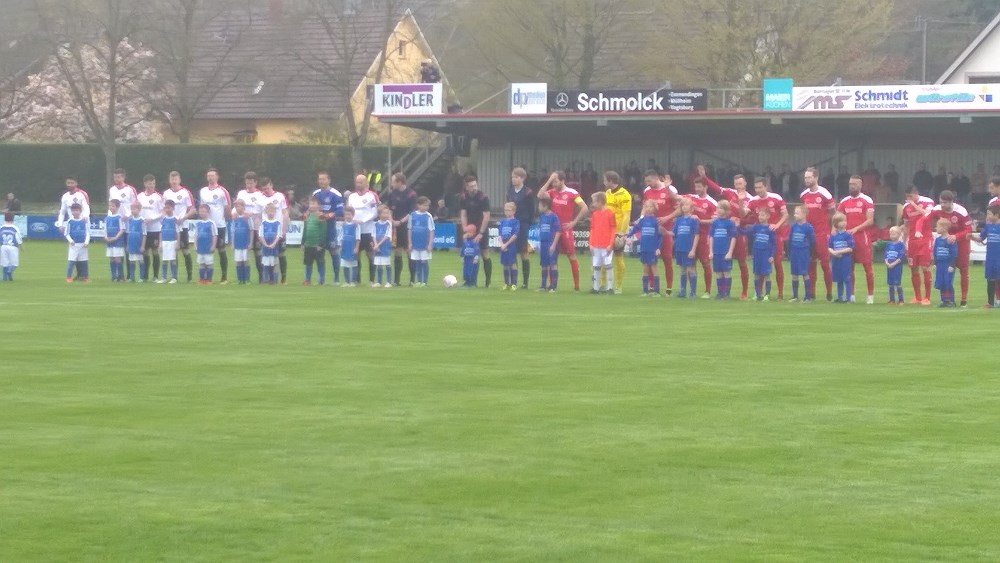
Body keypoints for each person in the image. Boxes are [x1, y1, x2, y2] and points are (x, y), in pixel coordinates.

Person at [703, 170, 751, 299]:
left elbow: (746, 217)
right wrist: (705, 177)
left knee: (742, 262)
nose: (738, 186)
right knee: (722, 263)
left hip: (739, 233)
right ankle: (722, 292)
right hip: (724, 232)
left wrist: (740, 219)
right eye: (736, 184)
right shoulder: (730, 192)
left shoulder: (749, 199)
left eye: (740, 183)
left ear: (745, 183)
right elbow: (717, 188)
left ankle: (744, 291)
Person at [537, 170, 588, 291]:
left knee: (572, 256)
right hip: (554, 231)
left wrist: (574, 222)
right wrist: (549, 180)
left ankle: (576, 286)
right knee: (552, 258)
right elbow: (539, 195)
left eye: (556, 181)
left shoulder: (572, 193)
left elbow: (584, 208)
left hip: (565, 230)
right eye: (553, 182)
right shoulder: (552, 192)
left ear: (562, 181)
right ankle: (552, 286)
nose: (554, 184)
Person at [925, 190, 973, 307]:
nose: (942, 205)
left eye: (945, 203)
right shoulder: (937, 209)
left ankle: (964, 300)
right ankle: (946, 299)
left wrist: (956, 236)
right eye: (941, 202)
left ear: (952, 202)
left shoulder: (961, 211)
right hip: (946, 244)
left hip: (961, 244)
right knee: (944, 271)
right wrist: (918, 230)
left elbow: (968, 230)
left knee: (963, 271)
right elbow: (925, 219)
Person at [747, 176, 789, 299]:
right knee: (760, 266)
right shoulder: (753, 200)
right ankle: (759, 293)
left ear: (766, 186)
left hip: (775, 236)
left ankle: (780, 293)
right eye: (756, 188)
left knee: (777, 263)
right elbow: (744, 213)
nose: (758, 190)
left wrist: (777, 225)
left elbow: (785, 214)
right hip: (761, 237)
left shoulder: (776, 198)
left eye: (760, 187)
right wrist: (739, 202)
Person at [837, 176, 875, 304]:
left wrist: (856, 229)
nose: (851, 186)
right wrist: (835, 233)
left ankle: (870, 296)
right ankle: (851, 295)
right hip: (848, 238)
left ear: (860, 185)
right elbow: (838, 218)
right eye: (850, 184)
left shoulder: (867, 200)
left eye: (854, 184)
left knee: (867, 267)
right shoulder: (844, 201)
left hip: (862, 237)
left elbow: (870, 220)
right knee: (849, 267)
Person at [642, 170, 681, 295]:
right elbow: (645, 206)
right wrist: (642, 218)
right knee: (651, 260)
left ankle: (669, 289)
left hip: (666, 229)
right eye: (646, 181)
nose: (648, 184)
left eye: (649, 181)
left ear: (656, 178)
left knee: (667, 258)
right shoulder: (647, 191)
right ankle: (652, 287)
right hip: (651, 231)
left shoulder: (670, 189)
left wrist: (667, 218)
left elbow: (680, 208)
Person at [800, 167, 835, 301]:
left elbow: (833, 213)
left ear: (816, 178)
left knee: (825, 264)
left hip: (822, 234)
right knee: (810, 264)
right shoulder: (803, 195)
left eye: (809, 177)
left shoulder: (825, 194)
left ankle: (829, 293)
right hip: (808, 235)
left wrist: (832, 229)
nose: (807, 180)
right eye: (805, 177)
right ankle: (811, 293)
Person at [901, 186, 935, 305]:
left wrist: (914, 205)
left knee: (925, 267)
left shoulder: (927, 202)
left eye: (910, 196)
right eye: (907, 196)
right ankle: (917, 297)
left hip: (925, 238)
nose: (908, 198)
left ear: (916, 193)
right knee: (913, 268)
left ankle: (927, 297)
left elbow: (927, 214)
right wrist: (904, 241)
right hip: (912, 240)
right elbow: (906, 225)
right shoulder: (906, 207)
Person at [459, 174, 492, 288]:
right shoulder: (463, 197)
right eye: (471, 186)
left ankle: (488, 282)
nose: (474, 188)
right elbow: (463, 214)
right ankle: (471, 281)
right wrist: (465, 229)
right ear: (466, 187)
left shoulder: (483, 197)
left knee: (485, 254)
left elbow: (486, 216)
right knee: (470, 255)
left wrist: (481, 233)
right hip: (470, 229)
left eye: (475, 185)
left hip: (481, 228)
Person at [199, 168, 231, 284]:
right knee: (206, 250)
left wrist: (225, 218)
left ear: (217, 177)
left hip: (219, 225)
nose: (210, 178)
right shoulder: (203, 191)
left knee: (221, 250)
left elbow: (227, 207)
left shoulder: (222, 191)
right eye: (209, 176)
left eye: (212, 175)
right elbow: (202, 207)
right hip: (207, 225)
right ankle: (205, 277)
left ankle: (224, 276)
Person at [311, 171, 343, 285]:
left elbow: (340, 210)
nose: (321, 181)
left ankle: (336, 278)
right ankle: (321, 279)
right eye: (320, 179)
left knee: (334, 252)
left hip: (330, 228)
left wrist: (330, 215)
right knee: (319, 253)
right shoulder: (316, 194)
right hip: (319, 229)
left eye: (323, 179)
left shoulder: (335, 194)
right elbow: (312, 207)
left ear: (329, 180)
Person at [163, 171, 196, 282]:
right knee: (173, 251)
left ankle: (189, 276)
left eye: (176, 179)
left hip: (182, 226)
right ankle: (174, 277)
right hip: (170, 227)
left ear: (179, 180)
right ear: (169, 180)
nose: (174, 181)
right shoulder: (166, 193)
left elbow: (192, 209)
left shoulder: (186, 193)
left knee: (185, 250)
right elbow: (164, 209)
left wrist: (183, 218)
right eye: (172, 179)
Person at [689, 176, 718, 298]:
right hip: (691, 236)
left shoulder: (712, 203)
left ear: (706, 187)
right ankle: (692, 292)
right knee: (691, 263)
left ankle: (707, 291)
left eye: (699, 187)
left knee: (705, 263)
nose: (697, 189)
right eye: (696, 186)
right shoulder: (691, 198)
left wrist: (700, 221)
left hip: (704, 236)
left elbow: (715, 220)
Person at [347, 174, 379, 284]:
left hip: (368, 230)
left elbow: (375, 213)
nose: (358, 184)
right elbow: (349, 211)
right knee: (356, 255)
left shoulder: (371, 196)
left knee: (370, 255)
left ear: (366, 183)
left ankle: (372, 280)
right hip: (356, 231)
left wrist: (363, 220)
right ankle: (357, 280)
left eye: (360, 182)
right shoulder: (352, 197)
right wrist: (351, 221)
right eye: (357, 182)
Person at [506, 167, 535, 289]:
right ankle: (513, 281)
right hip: (512, 224)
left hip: (523, 224)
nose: (513, 179)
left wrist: (529, 222)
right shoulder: (510, 192)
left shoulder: (528, 192)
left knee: (523, 252)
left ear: (522, 178)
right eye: (512, 177)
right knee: (512, 251)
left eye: (516, 177)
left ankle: (525, 282)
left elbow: (531, 209)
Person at [387, 172, 417, 286]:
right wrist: (392, 220)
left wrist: (401, 221)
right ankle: (396, 281)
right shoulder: (392, 194)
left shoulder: (411, 194)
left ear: (399, 182)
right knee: (397, 252)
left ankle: (412, 280)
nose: (391, 184)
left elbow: (412, 212)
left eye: (393, 182)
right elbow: (389, 209)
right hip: (395, 227)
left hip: (407, 227)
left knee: (409, 252)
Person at [628, 199, 664, 296]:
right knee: (645, 269)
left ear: (654, 208)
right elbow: (635, 229)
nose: (648, 208)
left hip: (652, 249)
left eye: (650, 206)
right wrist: (628, 236)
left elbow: (660, 236)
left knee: (654, 268)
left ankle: (656, 291)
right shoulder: (643, 220)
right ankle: (645, 291)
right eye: (646, 206)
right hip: (644, 248)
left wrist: (658, 248)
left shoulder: (656, 221)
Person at [604, 171, 632, 294]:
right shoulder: (607, 193)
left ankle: (618, 286)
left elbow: (626, 215)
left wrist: (622, 232)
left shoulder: (625, 194)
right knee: (605, 258)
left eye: (605, 180)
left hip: (618, 232)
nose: (604, 182)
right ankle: (603, 285)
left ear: (610, 181)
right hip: (607, 230)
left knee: (618, 258)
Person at [235, 171, 265, 282]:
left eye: (251, 183)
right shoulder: (241, 193)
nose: (249, 185)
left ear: (255, 182)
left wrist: (253, 214)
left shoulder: (260, 195)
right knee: (243, 253)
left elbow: (264, 210)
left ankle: (261, 277)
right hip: (244, 228)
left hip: (256, 227)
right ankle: (244, 278)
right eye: (247, 183)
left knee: (257, 252)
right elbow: (237, 207)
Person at [259, 178, 290, 284]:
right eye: (264, 189)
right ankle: (267, 278)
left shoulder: (280, 196)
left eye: (267, 188)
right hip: (266, 232)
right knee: (267, 255)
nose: (266, 191)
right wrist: (259, 230)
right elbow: (258, 215)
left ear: (271, 185)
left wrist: (284, 229)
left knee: (281, 254)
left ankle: (283, 278)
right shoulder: (260, 198)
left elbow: (285, 213)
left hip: (277, 230)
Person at [970, 205, 1000, 308]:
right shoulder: (988, 227)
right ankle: (990, 302)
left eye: (989, 214)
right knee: (990, 279)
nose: (987, 216)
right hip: (990, 258)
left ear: (997, 215)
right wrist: (972, 237)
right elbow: (981, 238)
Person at [744, 207, 776, 301]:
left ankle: (767, 295)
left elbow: (773, 243)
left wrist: (772, 255)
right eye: (759, 215)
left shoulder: (770, 228)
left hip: (765, 254)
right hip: (757, 254)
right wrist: (738, 227)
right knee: (756, 273)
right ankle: (758, 294)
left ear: (768, 216)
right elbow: (746, 233)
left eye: (762, 215)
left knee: (766, 274)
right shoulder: (756, 227)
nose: (760, 217)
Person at [588, 191, 616, 294]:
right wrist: (591, 243)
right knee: (596, 266)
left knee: (608, 265)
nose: (593, 204)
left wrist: (611, 244)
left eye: (594, 202)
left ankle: (610, 288)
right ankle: (595, 287)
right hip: (596, 244)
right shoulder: (595, 214)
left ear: (600, 202)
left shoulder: (610, 213)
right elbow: (592, 229)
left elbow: (613, 229)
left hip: (606, 245)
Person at [709, 200, 737, 299]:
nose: (718, 210)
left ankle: (727, 293)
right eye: (717, 208)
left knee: (726, 272)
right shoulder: (714, 223)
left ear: (726, 210)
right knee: (718, 272)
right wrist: (711, 251)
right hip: (716, 252)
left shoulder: (730, 223)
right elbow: (711, 237)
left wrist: (730, 252)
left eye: (721, 208)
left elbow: (733, 238)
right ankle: (720, 292)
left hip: (725, 252)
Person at [137, 174, 164, 283]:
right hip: (144, 229)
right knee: (144, 252)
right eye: (149, 183)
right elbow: (136, 210)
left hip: (155, 229)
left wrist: (152, 218)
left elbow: (163, 212)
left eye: (153, 183)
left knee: (155, 251)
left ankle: (156, 276)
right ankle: (145, 276)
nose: (152, 185)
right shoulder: (140, 196)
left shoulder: (158, 197)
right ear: (145, 184)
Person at [672, 199, 700, 299]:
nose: (684, 206)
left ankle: (692, 292)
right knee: (682, 269)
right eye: (683, 205)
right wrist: (664, 232)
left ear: (691, 208)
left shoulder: (694, 219)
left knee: (691, 269)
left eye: (687, 205)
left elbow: (696, 235)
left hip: (688, 248)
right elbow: (674, 233)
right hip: (679, 248)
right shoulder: (678, 220)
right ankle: (682, 291)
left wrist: (693, 250)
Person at [788, 206, 816, 302]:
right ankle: (795, 296)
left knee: (805, 273)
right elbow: (790, 239)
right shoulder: (793, 226)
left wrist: (810, 253)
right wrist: (789, 252)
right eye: (795, 213)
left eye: (797, 213)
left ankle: (807, 296)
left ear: (804, 215)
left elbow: (813, 241)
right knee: (794, 274)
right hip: (794, 252)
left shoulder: (808, 227)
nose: (795, 215)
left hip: (803, 253)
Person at [302, 197, 329, 286]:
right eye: (310, 204)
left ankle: (321, 280)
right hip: (308, 244)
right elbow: (305, 229)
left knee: (320, 262)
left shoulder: (321, 216)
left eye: (314, 204)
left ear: (318, 205)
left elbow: (323, 231)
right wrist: (303, 243)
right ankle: (307, 280)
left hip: (317, 245)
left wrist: (321, 244)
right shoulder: (307, 215)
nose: (311, 206)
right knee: (308, 263)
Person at [409, 196, 434, 287]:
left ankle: (425, 282)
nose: (426, 207)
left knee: (424, 262)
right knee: (417, 262)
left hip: (425, 243)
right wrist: (410, 242)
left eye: (427, 205)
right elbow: (410, 229)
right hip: (415, 243)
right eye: (424, 205)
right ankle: (419, 281)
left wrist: (430, 244)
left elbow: (431, 230)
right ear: (418, 205)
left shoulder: (428, 216)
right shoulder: (412, 215)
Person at [828, 213, 854, 303]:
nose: (844, 223)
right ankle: (840, 297)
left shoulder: (848, 235)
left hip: (845, 260)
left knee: (846, 278)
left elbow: (850, 248)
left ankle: (848, 298)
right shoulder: (833, 235)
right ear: (836, 223)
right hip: (836, 260)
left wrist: (839, 252)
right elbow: (829, 247)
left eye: (845, 220)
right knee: (838, 279)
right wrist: (833, 253)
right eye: (841, 221)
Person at [536, 198, 561, 291]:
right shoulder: (542, 217)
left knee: (553, 264)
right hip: (543, 243)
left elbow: (558, 231)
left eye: (539, 205)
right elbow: (540, 230)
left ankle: (553, 286)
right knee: (544, 264)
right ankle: (543, 286)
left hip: (550, 243)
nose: (538, 207)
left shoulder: (554, 217)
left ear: (545, 206)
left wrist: (554, 245)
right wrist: (539, 243)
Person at [933, 218, 958, 307]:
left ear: (944, 228)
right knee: (941, 282)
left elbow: (954, 253)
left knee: (948, 281)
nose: (936, 228)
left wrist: (952, 265)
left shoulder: (950, 239)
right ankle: (943, 300)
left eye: (938, 226)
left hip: (947, 264)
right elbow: (935, 252)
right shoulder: (938, 239)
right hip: (940, 264)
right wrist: (935, 263)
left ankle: (950, 300)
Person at [497, 202, 520, 291]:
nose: (507, 212)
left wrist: (506, 244)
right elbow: (499, 234)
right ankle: (506, 283)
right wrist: (502, 244)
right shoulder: (503, 222)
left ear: (513, 211)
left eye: (509, 210)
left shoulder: (516, 222)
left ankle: (514, 284)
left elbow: (515, 235)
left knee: (512, 263)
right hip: (503, 244)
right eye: (505, 210)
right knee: (505, 264)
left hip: (511, 245)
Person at [64, 203, 90, 282]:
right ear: (71, 212)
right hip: (74, 245)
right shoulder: (70, 221)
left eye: (77, 210)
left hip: (83, 245)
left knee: (84, 261)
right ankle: (68, 277)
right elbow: (66, 233)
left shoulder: (84, 221)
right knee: (71, 261)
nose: (75, 212)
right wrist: (71, 241)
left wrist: (86, 242)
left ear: (80, 211)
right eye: (73, 211)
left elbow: (88, 232)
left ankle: (85, 277)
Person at [231, 200, 253, 285]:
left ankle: (247, 279)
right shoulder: (234, 218)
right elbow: (233, 231)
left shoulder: (247, 218)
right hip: (237, 243)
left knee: (246, 261)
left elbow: (251, 230)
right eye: (236, 206)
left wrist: (250, 243)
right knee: (238, 261)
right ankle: (240, 279)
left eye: (239, 206)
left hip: (245, 242)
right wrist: (233, 243)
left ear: (243, 207)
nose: (237, 208)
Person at [195, 204, 218, 285]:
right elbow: (196, 235)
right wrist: (195, 245)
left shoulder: (211, 223)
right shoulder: (198, 223)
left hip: (208, 246)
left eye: (204, 211)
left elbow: (214, 235)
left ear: (208, 212)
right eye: (200, 211)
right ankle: (202, 279)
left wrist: (213, 246)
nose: (202, 213)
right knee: (201, 263)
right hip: (200, 247)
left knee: (209, 263)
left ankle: (209, 279)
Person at [157, 200, 179, 284]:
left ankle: (174, 277)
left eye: (169, 208)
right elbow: (161, 232)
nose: (167, 209)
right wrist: (160, 243)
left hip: (172, 241)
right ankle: (164, 277)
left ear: (173, 208)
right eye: (166, 208)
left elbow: (178, 232)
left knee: (173, 260)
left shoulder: (175, 219)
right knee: (164, 260)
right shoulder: (163, 219)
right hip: (164, 242)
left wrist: (177, 243)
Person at [259, 203, 282, 285]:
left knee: (274, 263)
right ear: (266, 212)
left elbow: (279, 235)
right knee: (266, 263)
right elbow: (261, 235)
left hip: (274, 247)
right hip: (266, 246)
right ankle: (266, 279)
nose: (271, 213)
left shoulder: (277, 223)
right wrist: (265, 244)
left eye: (272, 211)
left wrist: (273, 244)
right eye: (269, 211)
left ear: (275, 212)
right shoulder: (263, 223)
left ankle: (274, 279)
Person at [372, 204, 393, 287]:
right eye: (384, 213)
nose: (386, 215)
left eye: (387, 213)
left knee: (387, 264)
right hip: (377, 247)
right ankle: (379, 281)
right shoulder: (375, 224)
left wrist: (378, 245)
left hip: (385, 246)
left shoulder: (388, 224)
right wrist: (375, 245)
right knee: (379, 264)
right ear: (379, 214)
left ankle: (389, 282)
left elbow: (387, 236)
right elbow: (373, 235)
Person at [104, 199, 125, 282]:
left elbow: (122, 229)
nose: (111, 207)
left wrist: (116, 237)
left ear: (117, 207)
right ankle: (113, 276)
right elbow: (105, 229)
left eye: (113, 206)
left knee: (117, 258)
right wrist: (106, 237)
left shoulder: (119, 217)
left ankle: (121, 276)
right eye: (110, 206)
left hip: (117, 242)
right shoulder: (107, 218)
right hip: (110, 241)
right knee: (111, 258)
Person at [884, 226, 906, 305]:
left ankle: (901, 300)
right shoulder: (888, 244)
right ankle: (892, 299)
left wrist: (894, 263)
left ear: (899, 235)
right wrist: (887, 262)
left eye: (894, 234)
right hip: (889, 266)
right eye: (890, 234)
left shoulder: (901, 245)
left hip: (897, 267)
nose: (892, 236)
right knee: (890, 283)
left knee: (897, 282)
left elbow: (901, 256)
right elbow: (886, 254)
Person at [125, 202, 146, 282]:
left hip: (138, 243)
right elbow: (128, 233)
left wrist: (143, 246)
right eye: (131, 209)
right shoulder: (130, 220)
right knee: (132, 260)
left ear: (139, 209)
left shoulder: (142, 221)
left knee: (140, 260)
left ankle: (142, 277)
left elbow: (144, 234)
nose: (132, 210)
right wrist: (127, 245)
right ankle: (132, 277)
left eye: (134, 209)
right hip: (131, 243)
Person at [339, 206, 360, 287]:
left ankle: (353, 281)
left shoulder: (356, 225)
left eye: (349, 214)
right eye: (346, 214)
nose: (347, 216)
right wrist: (340, 246)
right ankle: (346, 281)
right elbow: (341, 236)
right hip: (345, 246)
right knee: (345, 264)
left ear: (353, 215)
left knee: (353, 264)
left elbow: (358, 238)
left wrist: (356, 247)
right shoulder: (343, 225)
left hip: (352, 246)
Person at [0, 212, 22, 281]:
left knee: (5, 263)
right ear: (13, 218)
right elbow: (18, 238)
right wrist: (20, 245)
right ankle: (10, 271)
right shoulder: (15, 228)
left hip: (3, 246)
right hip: (13, 247)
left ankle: (4, 278)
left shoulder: (1, 227)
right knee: (14, 263)